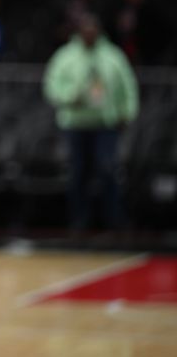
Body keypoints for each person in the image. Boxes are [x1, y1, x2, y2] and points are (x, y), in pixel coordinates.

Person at [43, 12, 139, 235]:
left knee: (107, 171)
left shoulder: (113, 56)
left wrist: (127, 112)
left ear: (98, 30)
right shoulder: (66, 56)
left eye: (92, 28)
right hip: (75, 124)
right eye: (85, 29)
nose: (89, 33)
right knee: (78, 175)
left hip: (106, 124)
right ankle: (79, 222)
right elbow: (51, 85)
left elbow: (128, 86)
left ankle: (114, 222)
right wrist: (69, 97)